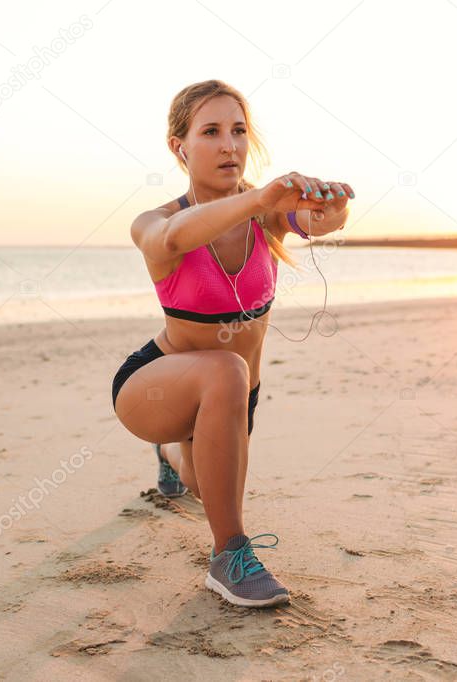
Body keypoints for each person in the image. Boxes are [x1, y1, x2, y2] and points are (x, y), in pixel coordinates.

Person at [111, 80, 354, 608]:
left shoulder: (267, 215)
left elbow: (317, 220)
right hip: (154, 386)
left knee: (203, 485)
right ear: (180, 147)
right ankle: (229, 556)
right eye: (212, 132)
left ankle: (173, 457)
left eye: (239, 131)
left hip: (233, 396)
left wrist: (332, 206)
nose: (229, 145)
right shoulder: (153, 221)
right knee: (225, 366)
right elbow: (171, 239)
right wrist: (257, 197)